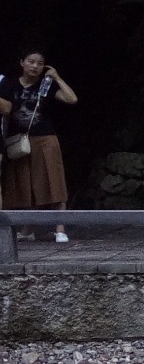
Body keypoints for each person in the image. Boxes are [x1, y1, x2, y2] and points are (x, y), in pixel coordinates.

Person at [4, 52, 79, 243]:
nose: (35, 66)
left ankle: (60, 229)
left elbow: (71, 99)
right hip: (19, 141)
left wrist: (57, 77)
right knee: (27, 186)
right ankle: (28, 229)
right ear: (21, 63)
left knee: (54, 182)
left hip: (45, 138)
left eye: (40, 63)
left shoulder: (46, 85)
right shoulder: (9, 84)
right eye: (30, 62)